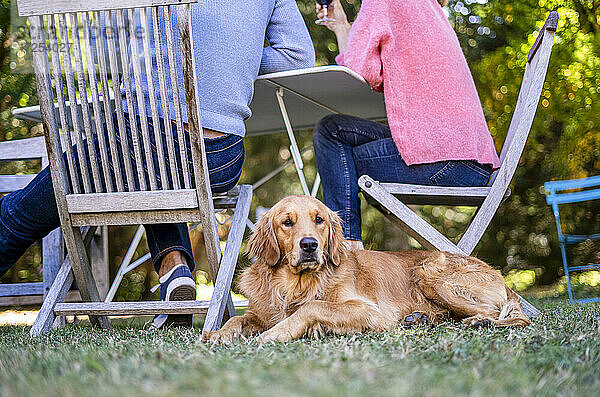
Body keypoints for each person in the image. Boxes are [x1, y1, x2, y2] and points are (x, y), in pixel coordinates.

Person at [0, 0, 315, 328]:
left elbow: (107, 44)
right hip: (220, 159)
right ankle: (174, 266)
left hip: (138, 144)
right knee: (158, 171)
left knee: (16, 214)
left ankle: (172, 265)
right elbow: (298, 55)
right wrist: (235, 58)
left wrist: (197, 52)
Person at [313, 0, 500, 250]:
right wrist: (342, 26)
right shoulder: (427, 6)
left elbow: (361, 71)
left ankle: (346, 248)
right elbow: (368, 71)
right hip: (470, 158)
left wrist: (344, 29)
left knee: (335, 153)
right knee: (333, 130)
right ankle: (347, 242)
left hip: (446, 159)